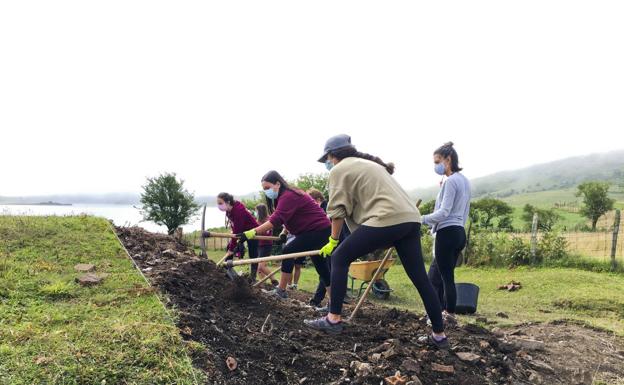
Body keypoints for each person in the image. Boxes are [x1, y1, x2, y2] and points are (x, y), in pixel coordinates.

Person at [303, 134, 448, 348]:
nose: (328, 163)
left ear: (332, 156)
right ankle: (439, 336)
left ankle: (333, 319)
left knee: (339, 258)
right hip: (410, 219)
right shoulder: (369, 164)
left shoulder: (339, 170)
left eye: (327, 159)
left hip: (387, 217)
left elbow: (337, 211)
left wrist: (334, 240)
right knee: (420, 279)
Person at [239, 171, 332, 300]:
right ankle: (333, 304)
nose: (266, 191)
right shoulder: (283, 197)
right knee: (322, 267)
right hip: (317, 231)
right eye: (264, 189)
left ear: (277, 183)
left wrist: (252, 232)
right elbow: (288, 218)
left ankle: (281, 291)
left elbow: (276, 219)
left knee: (289, 250)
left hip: (318, 230)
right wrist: (284, 232)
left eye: (267, 188)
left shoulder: (289, 195)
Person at [422, 142, 470, 323]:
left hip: (447, 232)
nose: (436, 166)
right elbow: (465, 211)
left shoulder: (450, 181)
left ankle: (447, 314)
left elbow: (444, 212)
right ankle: (443, 311)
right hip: (459, 233)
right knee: (445, 275)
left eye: (437, 162)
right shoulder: (465, 180)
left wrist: (421, 219)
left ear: (448, 160)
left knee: (444, 277)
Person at [216, 192, 264, 281]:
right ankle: (228, 269)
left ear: (228, 202)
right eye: (218, 203)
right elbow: (234, 225)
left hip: (252, 232)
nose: (219, 206)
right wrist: (232, 246)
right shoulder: (229, 210)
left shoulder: (239, 211)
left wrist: (232, 248)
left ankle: (253, 277)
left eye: (220, 203)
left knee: (253, 254)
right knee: (230, 248)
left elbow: (237, 230)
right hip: (242, 231)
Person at [255, 203, 279, 286]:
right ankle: (262, 283)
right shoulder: (257, 221)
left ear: (260, 211)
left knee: (261, 266)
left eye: (256, 211)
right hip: (259, 245)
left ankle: (275, 281)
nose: (255, 212)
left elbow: (266, 233)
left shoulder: (269, 220)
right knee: (259, 268)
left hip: (266, 245)